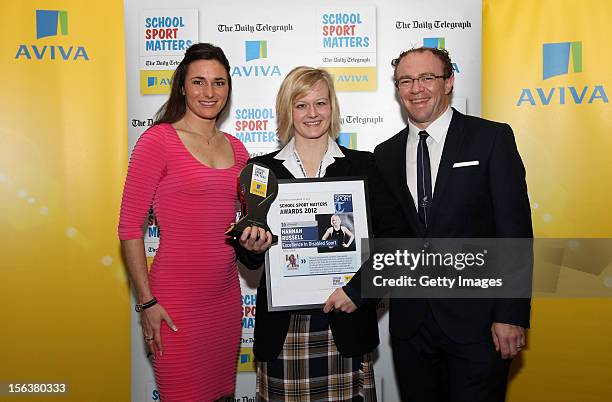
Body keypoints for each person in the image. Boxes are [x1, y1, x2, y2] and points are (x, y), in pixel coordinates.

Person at [331, 47, 532, 402]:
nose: (416, 88)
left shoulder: (491, 139)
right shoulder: (385, 155)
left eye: (427, 78)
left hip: (480, 324)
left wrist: (511, 314)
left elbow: (514, 232)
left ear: (449, 81)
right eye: (405, 80)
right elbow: (390, 237)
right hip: (412, 327)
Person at [238, 66, 382, 401]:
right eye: (301, 105)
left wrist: (358, 292)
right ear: (287, 110)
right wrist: (251, 245)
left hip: (346, 324)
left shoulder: (364, 166)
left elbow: (390, 243)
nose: (312, 113)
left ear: (332, 107)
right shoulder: (261, 170)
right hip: (283, 330)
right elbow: (249, 254)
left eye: (320, 103)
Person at [118, 43, 250, 401]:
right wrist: (146, 303)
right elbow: (129, 228)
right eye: (199, 82)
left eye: (219, 83)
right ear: (182, 86)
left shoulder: (239, 150)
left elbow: (247, 223)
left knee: (222, 395)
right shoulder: (157, 140)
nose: (209, 92)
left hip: (224, 299)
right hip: (173, 303)